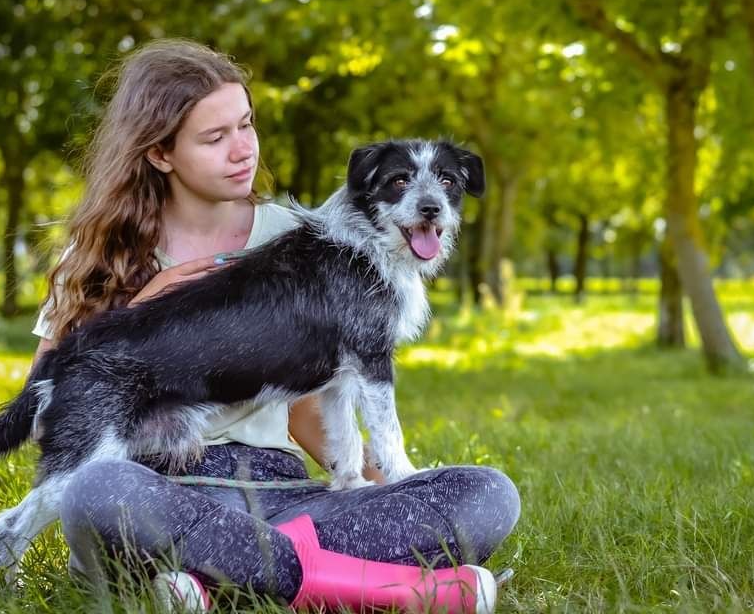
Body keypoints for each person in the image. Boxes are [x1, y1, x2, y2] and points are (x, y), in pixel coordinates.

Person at [29, 38, 520, 612]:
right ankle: (375, 588)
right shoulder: (96, 257)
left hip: (285, 497)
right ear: (160, 153)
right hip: (160, 492)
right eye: (215, 138)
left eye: (247, 125)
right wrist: (146, 308)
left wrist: (386, 482)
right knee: (97, 492)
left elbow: (313, 401)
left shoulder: (303, 235)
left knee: (487, 494)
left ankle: (211, 584)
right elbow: (45, 420)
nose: (242, 150)